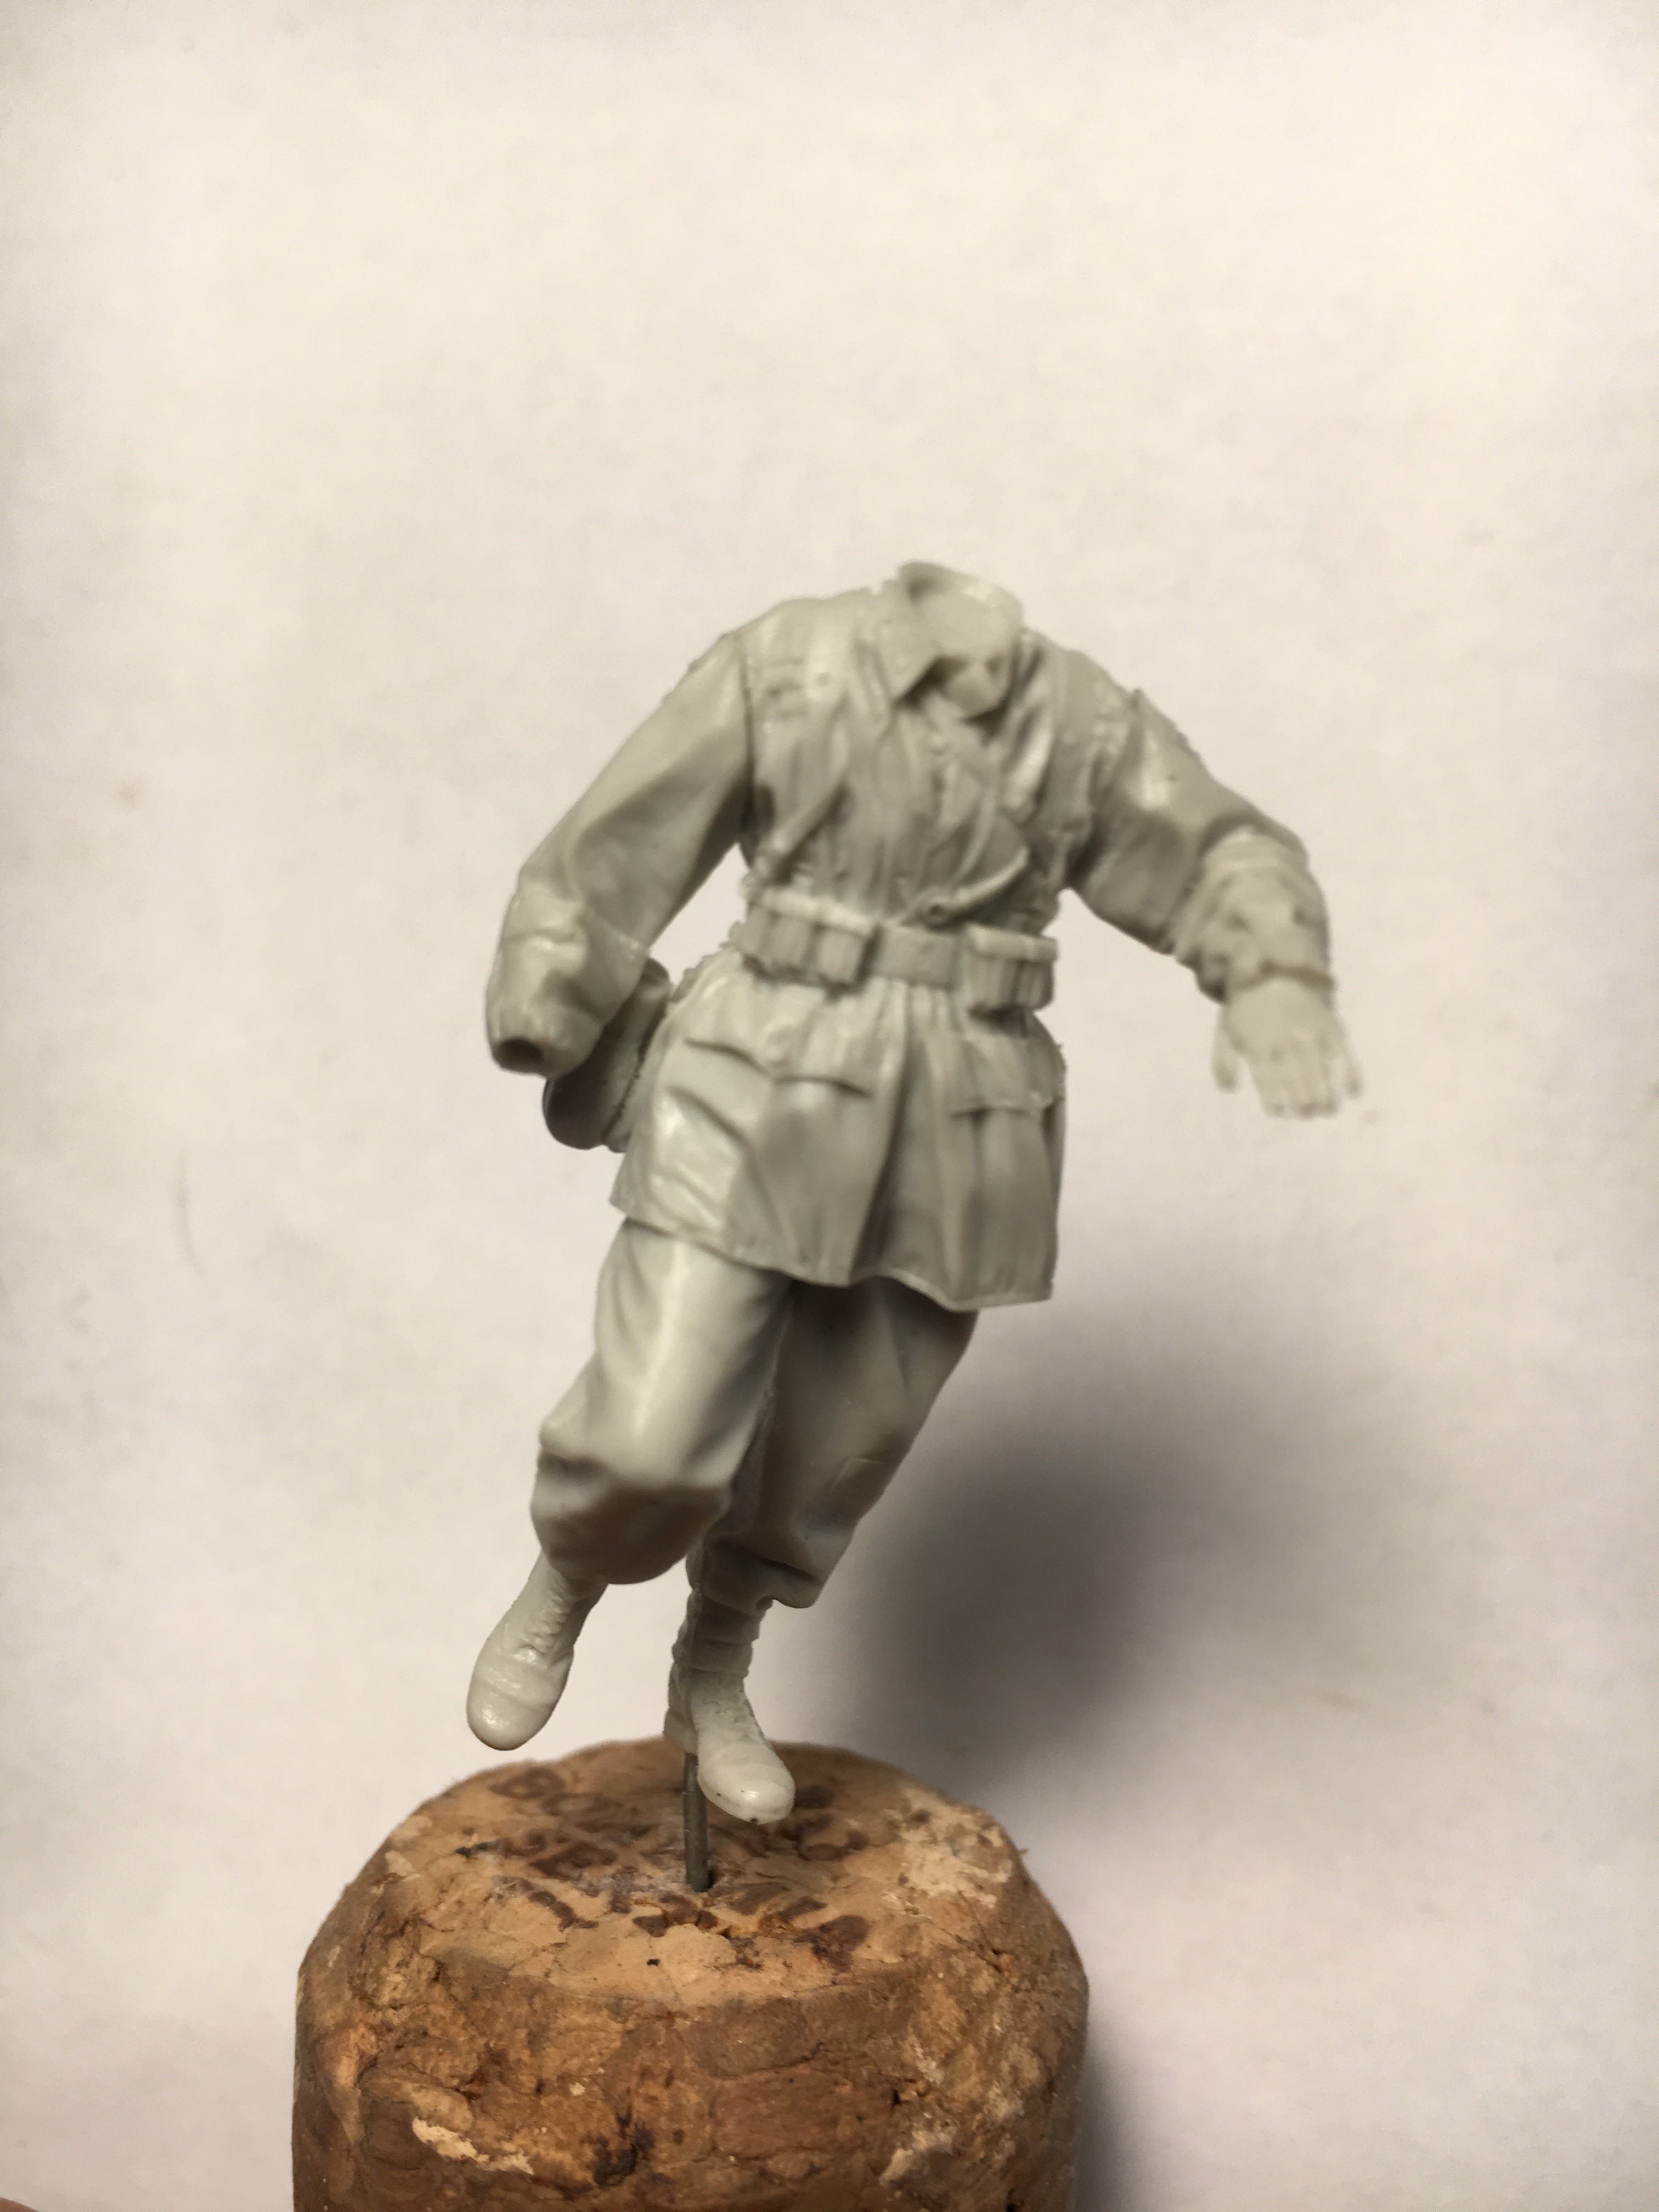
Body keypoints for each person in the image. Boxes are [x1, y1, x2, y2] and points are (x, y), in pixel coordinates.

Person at [465, 562, 1359, 1822]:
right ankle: (568, 1580)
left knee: (843, 1442)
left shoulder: (1080, 723)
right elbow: (625, 835)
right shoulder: (790, 664)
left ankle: (714, 1666)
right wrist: (552, 990)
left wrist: (1271, 966)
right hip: (760, 1070)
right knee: (648, 1434)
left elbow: (1212, 846)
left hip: (958, 1113)